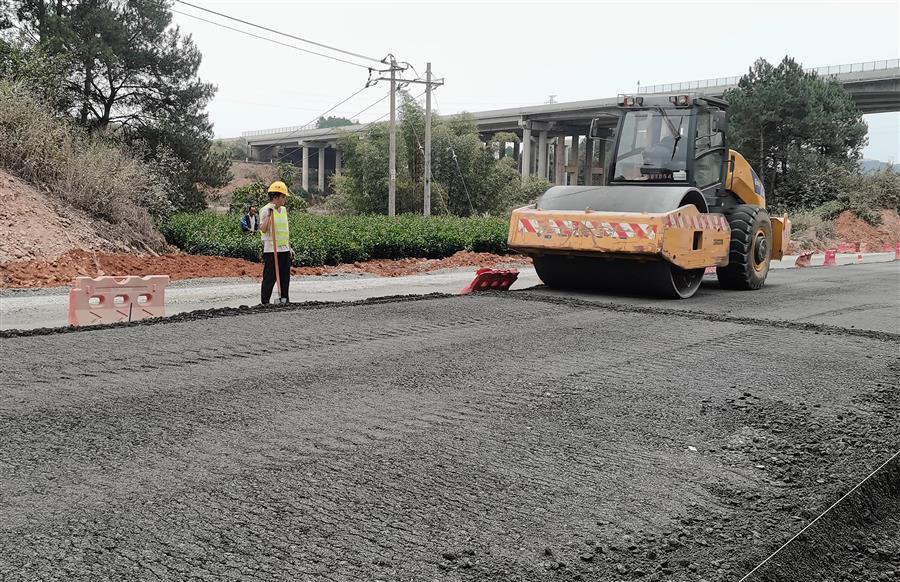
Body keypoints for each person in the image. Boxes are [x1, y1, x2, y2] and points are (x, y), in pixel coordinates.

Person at [259, 181, 293, 304]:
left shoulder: (283, 210)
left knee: (285, 277)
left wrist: (289, 247)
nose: (285, 199)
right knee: (270, 277)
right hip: (271, 249)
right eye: (283, 197)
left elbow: (284, 230)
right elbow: (263, 229)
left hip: (284, 249)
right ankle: (265, 302)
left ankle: (285, 299)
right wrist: (268, 216)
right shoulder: (265, 210)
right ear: (276, 196)